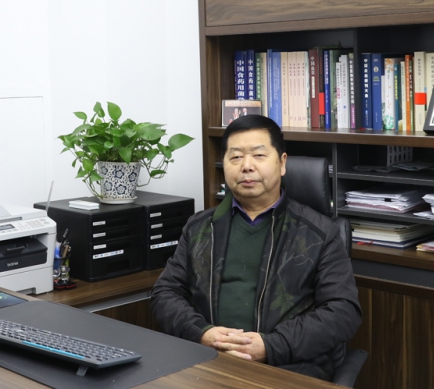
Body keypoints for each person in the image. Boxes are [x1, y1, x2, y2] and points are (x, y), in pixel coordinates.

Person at [150, 115, 362, 381]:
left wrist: (271, 346)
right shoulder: (200, 227)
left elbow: (343, 312)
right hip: (207, 363)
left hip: (286, 369)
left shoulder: (320, 232)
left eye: (259, 155)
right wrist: (202, 333)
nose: (247, 166)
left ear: (282, 163)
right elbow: (165, 293)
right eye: (236, 157)